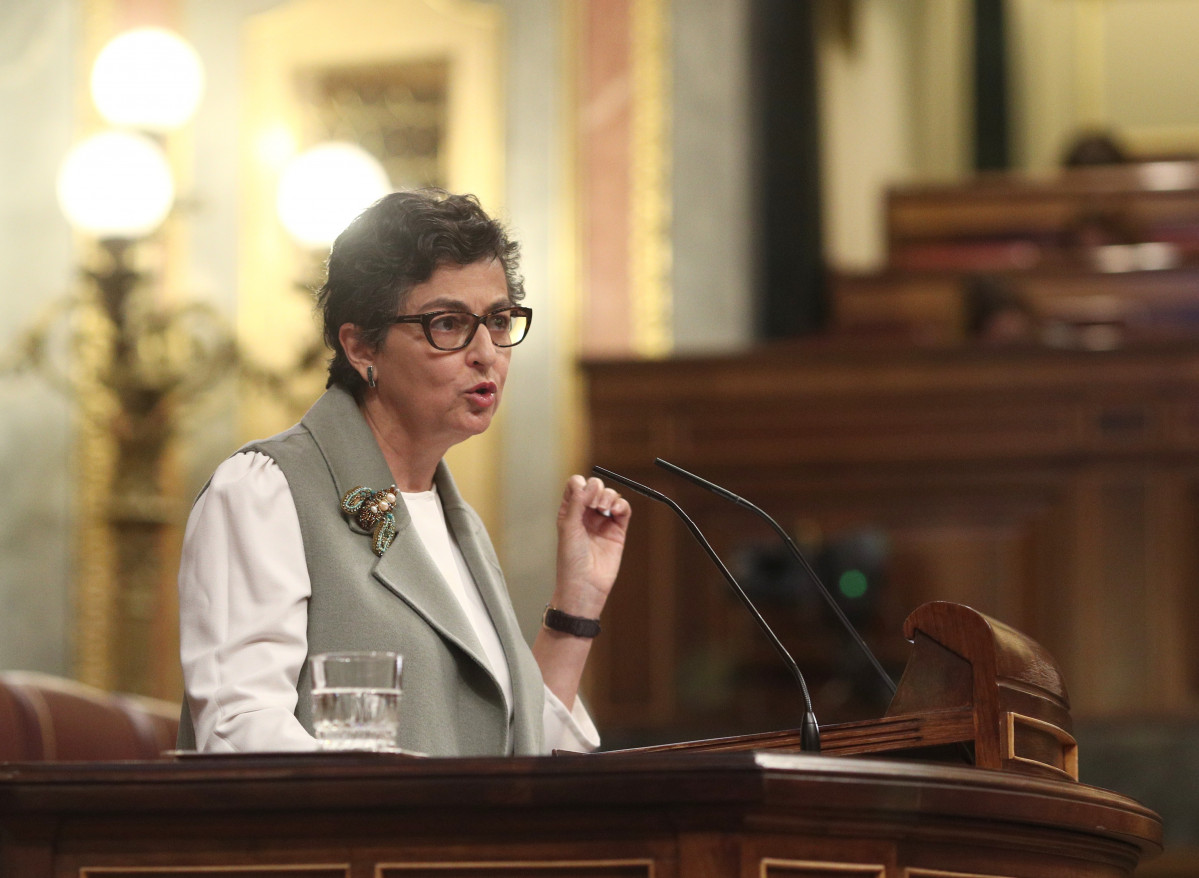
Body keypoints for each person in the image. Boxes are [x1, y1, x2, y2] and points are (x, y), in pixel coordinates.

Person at [177, 189, 631, 756]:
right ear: (362, 346)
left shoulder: (454, 520)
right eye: (448, 323)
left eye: (498, 319)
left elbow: (516, 749)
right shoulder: (263, 492)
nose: (486, 351)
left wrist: (576, 605)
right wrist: (409, 793)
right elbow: (238, 730)